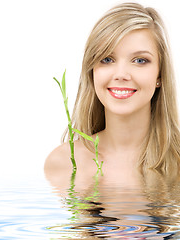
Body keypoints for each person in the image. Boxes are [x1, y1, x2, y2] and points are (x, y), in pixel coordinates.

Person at [45, 2, 180, 177]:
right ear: (92, 72)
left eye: (140, 60)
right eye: (107, 59)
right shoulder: (63, 164)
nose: (121, 74)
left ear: (160, 76)